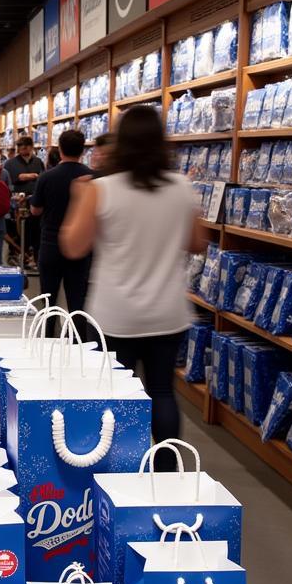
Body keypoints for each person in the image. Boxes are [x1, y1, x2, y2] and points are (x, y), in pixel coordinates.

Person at [61, 107, 206, 471]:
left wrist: (81, 203)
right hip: (167, 311)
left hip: (115, 313)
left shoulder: (101, 189)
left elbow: (73, 246)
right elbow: (197, 242)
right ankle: (168, 474)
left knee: (116, 396)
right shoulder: (181, 187)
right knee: (161, 391)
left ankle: (122, 471)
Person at [31, 129, 93, 338]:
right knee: (77, 299)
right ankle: (78, 342)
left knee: (48, 296)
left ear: (60, 147)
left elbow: (35, 210)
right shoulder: (91, 177)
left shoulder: (47, 176)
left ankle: (48, 339)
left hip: (50, 243)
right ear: (83, 149)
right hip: (82, 245)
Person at [5, 136, 45, 274]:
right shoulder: (10, 163)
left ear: (31, 147)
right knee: (15, 231)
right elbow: (15, 179)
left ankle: (32, 258)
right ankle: (16, 256)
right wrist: (31, 176)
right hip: (16, 202)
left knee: (34, 231)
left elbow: (42, 177)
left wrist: (30, 176)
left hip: (35, 201)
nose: (24, 148)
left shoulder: (38, 161)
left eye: (27, 146)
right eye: (21, 146)